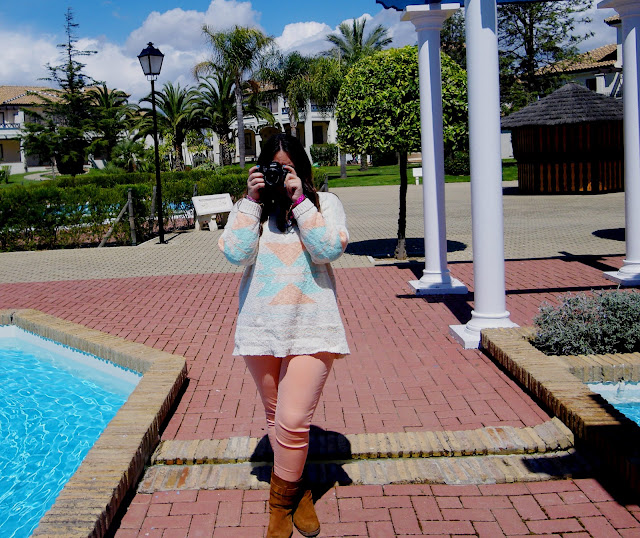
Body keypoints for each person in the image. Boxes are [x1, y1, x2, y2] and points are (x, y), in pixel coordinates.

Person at [218, 133, 350, 538]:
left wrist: (299, 201)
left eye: (288, 168)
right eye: (274, 168)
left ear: (302, 169)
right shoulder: (250, 209)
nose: (280, 175)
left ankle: (279, 506)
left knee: (293, 421)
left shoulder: (325, 203)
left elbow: (328, 250)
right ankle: (300, 489)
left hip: (312, 325)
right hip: (261, 326)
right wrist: (251, 201)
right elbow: (236, 255)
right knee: (277, 419)